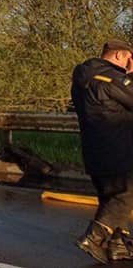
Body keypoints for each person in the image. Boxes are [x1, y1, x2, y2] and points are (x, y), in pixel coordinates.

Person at [73, 39, 133, 262]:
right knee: (125, 196)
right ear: (119, 56)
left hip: (94, 151)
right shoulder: (112, 79)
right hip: (118, 150)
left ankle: (119, 245)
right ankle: (94, 237)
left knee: (112, 199)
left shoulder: (84, 77)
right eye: (130, 58)